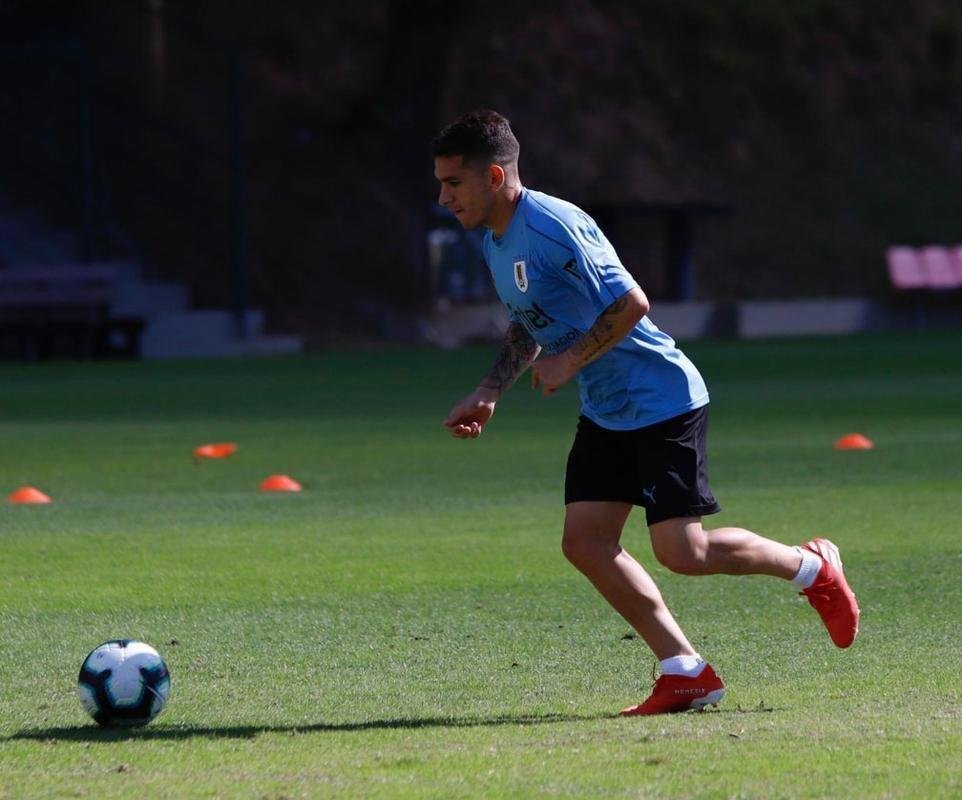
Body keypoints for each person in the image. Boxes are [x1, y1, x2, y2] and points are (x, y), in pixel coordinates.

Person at [431, 109, 859, 715]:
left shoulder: (554, 227)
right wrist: (490, 388)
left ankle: (811, 567)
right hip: (608, 410)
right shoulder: (496, 242)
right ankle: (685, 670)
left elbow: (632, 302)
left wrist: (571, 361)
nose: (444, 197)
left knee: (684, 553)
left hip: (662, 399)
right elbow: (531, 323)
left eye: (453, 183)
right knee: (585, 542)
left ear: (494, 176)